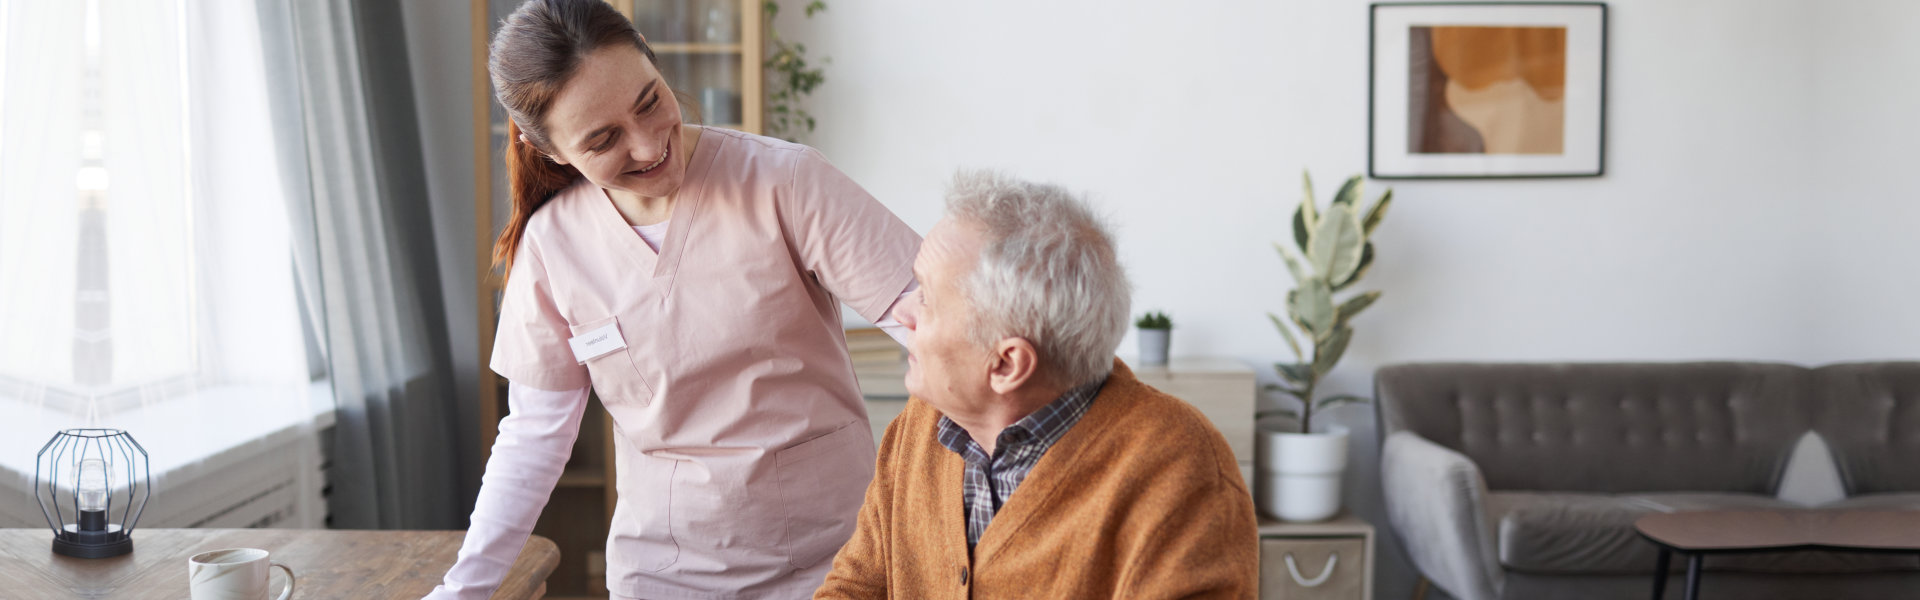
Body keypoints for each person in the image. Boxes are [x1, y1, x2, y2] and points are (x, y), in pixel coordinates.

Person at [426, 1, 919, 598]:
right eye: (604, 139)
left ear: (656, 66)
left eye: (650, 101)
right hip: (664, 574)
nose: (648, 145)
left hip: (838, 563)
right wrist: (463, 591)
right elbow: (534, 438)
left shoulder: (785, 183)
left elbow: (938, 330)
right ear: (552, 152)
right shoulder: (553, 247)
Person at [813, 171, 1259, 599]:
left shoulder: (1179, 474)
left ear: (1007, 364)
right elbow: (856, 585)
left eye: (927, 298)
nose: (902, 313)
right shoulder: (921, 424)